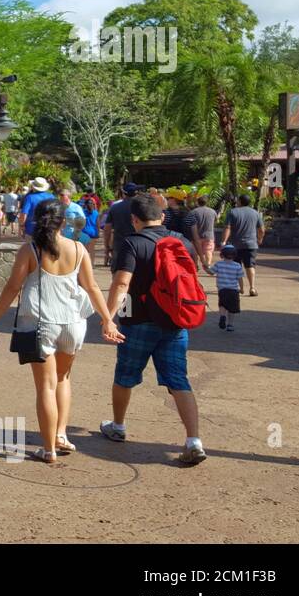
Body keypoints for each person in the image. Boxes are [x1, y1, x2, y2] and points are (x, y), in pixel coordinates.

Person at [0, 199, 123, 463]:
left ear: (38, 219)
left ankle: (48, 449)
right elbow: (92, 287)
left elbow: (13, 286)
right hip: (73, 324)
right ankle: (60, 435)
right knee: (63, 379)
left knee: (45, 387)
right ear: (64, 221)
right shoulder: (79, 249)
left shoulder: (30, 249)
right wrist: (108, 320)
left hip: (39, 324)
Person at [102, 195, 207, 465]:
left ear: (134, 220)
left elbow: (122, 283)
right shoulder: (181, 241)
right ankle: (193, 440)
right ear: (161, 217)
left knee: (125, 375)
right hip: (175, 322)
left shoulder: (132, 243)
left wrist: (108, 318)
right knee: (178, 380)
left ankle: (118, 425)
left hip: (136, 321)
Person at [221, 194, 265, 296]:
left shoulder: (232, 212)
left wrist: (223, 241)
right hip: (251, 244)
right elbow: (261, 229)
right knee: (250, 266)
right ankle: (252, 288)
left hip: (235, 245)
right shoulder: (255, 213)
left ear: (240, 201)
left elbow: (227, 228)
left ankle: (238, 288)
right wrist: (260, 239)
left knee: (236, 267)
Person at [102, 183, 139, 267]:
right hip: (139, 244)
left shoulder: (115, 207)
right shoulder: (142, 206)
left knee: (118, 271)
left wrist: (107, 247)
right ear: (136, 193)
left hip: (120, 245)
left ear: (123, 193)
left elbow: (107, 229)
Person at [213, 244, 243, 332]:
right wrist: (241, 288)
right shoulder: (237, 265)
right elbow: (240, 278)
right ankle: (230, 325)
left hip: (222, 289)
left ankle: (222, 316)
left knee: (222, 305)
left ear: (222, 254)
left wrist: (206, 267)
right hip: (234, 290)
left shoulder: (219, 264)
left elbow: (211, 272)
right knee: (232, 309)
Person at [187, 195, 218, 275]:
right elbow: (216, 221)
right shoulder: (212, 211)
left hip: (196, 235)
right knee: (208, 250)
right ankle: (208, 265)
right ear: (206, 202)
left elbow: (190, 223)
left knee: (195, 252)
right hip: (209, 235)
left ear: (198, 202)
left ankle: (195, 266)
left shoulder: (193, 212)